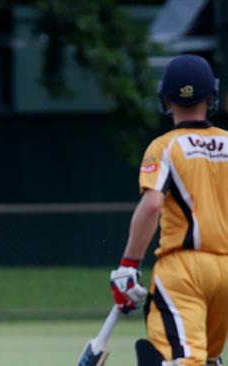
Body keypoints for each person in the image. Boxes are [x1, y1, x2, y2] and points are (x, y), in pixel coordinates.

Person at [109, 54, 228, 366]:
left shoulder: (164, 146)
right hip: (226, 269)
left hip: (183, 270)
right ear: (212, 96)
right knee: (209, 358)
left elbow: (152, 205)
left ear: (165, 99)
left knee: (183, 359)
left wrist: (128, 265)